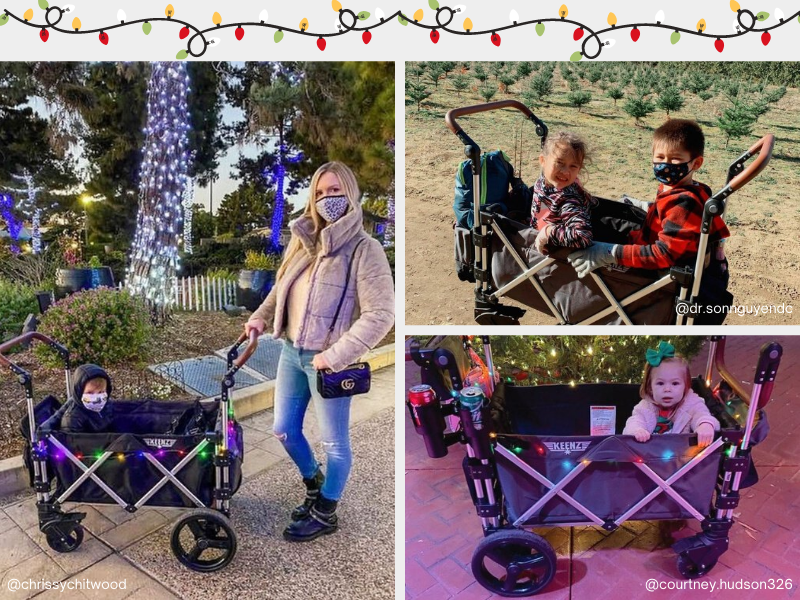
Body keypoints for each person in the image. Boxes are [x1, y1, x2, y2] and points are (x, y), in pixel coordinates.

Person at [245, 161, 394, 542]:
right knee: (283, 430)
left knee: (335, 444)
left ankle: (326, 511)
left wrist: (334, 355)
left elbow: (380, 315)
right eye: (321, 192)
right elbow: (280, 289)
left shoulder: (365, 249)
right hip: (291, 352)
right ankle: (314, 483)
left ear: (351, 193)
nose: (328, 198)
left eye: (335, 191)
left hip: (329, 362)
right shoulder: (302, 241)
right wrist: (260, 318)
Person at [567, 119, 730, 277]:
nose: (665, 165)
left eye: (675, 159)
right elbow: (669, 214)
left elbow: (664, 253)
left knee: (589, 232)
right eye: (660, 157)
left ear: (696, 163)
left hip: (655, 266)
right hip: (644, 238)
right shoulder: (682, 188)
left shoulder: (685, 202)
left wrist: (609, 253)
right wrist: (647, 206)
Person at [623, 342, 719, 447]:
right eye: (660, 383)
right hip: (651, 452)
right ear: (650, 387)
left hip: (682, 453)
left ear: (685, 386)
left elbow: (701, 414)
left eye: (675, 383)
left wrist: (705, 424)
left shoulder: (691, 403)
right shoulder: (645, 406)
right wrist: (637, 430)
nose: (667, 389)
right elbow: (635, 421)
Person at [530, 131, 597, 255]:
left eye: (573, 166)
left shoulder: (568, 199)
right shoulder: (542, 182)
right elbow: (542, 207)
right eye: (560, 163)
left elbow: (583, 236)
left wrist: (548, 232)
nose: (565, 172)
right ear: (543, 160)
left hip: (557, 258)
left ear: (579, 169)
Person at [60, 364, 113, 433]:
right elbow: (74, 439)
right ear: (79, 392)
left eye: (101, 392)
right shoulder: (73, 419)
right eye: (90, 393)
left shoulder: (106, 406)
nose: (96, 398)